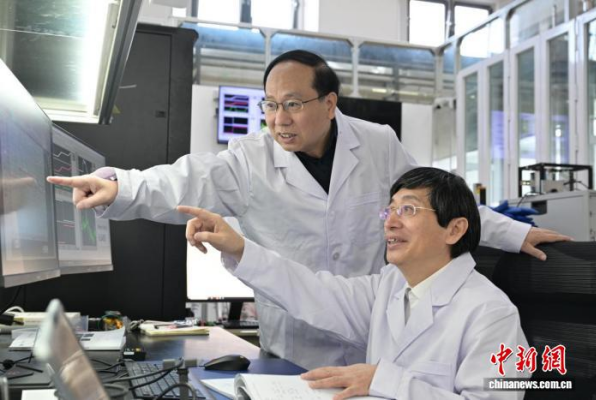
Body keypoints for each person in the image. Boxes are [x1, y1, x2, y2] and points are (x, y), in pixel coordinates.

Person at [46, 50, 569, 370]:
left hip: (372, 331)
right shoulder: (249, 159)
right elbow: (183, 180)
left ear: (329, 103)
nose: (279, 119)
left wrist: (514, 234)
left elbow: (435, 200)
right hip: (295, 336)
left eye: (293, 104)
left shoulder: (378, 144)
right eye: (270, 105)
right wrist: (119, 186)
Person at [177, 167, 529, 400]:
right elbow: (313, 292)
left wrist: (384, 381)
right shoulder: (391, 286)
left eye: (407, 210)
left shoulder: (492, 314)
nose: (390, 222)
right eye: (389, 210)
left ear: (454, 229)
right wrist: (238, 246)